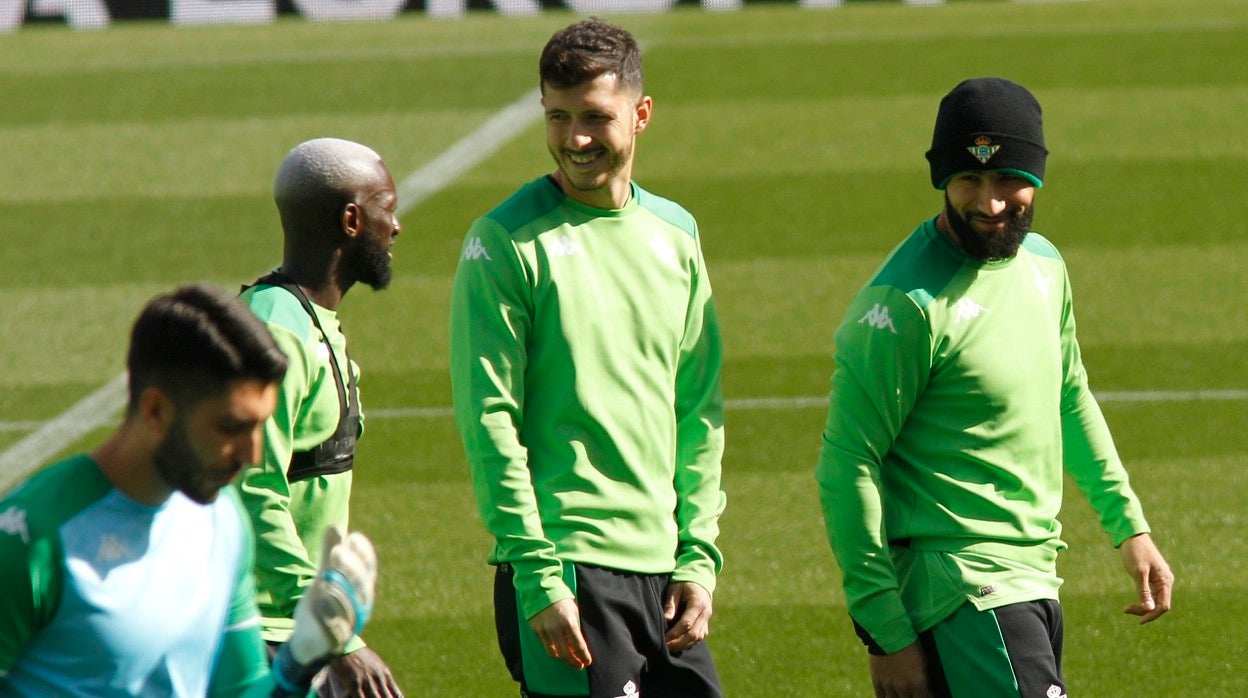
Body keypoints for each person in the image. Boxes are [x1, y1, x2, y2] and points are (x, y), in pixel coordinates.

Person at [814, 77, 1175, 698]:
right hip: (962, 588)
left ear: (1037, 175)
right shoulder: (903, 306)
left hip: (1033, 573)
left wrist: (1129, 528)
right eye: (968, 180)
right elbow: (847, 463)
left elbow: (1068, 396)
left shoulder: (1045, 266)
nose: (991, 202)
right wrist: (885, 631)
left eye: (1009, 178)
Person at [449, 17, 726, 698]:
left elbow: (697, 408)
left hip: (664, 568)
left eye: (595, 117)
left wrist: (698, 557)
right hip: (567, 568)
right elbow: (490, 420)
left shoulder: (676, 233)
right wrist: (538, 577)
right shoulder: (505, 242)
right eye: (558, 116)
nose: (575, 138)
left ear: (641, 115)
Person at [0, 284, 377, 697]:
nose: (252, 454)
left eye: (259, 426)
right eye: (230, 427)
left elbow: (240, 691)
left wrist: (302, 660)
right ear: (156, 411)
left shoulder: (222, 522)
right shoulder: (31, 539)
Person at [237, 137, 403, 698]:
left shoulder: (310, 319)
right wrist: (333, 628)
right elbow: (252, 487)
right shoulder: (277, 331)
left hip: (296, 628)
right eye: (387, 208)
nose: (396, 226)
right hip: (262, 634)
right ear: (352, 220)